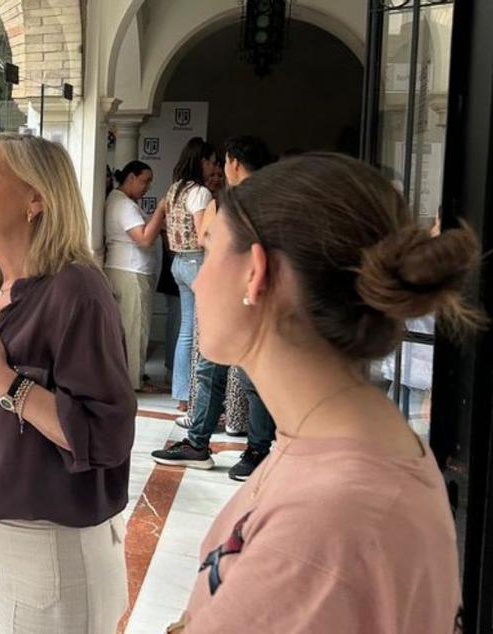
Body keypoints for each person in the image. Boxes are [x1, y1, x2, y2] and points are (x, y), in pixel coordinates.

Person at [168, 153, 481, 632]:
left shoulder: (326, 520)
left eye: (209, 251)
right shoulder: (328, 437)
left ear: (255, 272)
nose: (199, 279)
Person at [0, 133, 135, 633]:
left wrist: (4, 379)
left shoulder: (77, 291)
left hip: (47, 537)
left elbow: (105, 435)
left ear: (36, 198)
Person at [154, 136, 277, 481]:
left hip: (247, 298)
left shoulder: (250, 200)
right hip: (227, 298)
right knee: (212, 370)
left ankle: (257, 450)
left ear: (234, 162)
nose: (223, 169)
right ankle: (198, 444)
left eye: (224, 162)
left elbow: (213, 241)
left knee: (250, 377)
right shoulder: (241, 199)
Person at [163, 137, 218, 411]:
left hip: (178, 262)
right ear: (202, 161)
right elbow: (201, 234)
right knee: (200, 330)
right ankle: (198, 395)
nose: (214, 167)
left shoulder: (175, 189)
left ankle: (183, 395)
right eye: (212, 161)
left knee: (186, 330)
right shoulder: (200, 192)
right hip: (196, 262)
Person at [104, 160, 165, 391]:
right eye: (145, 181)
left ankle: (132, 377)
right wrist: (160, 210)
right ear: (131, 177)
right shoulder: (123, 204)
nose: (147, 187)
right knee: (134, 330)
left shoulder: (122, 202)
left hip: (129, 271)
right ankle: (132, 382)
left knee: (132, 328)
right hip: (131, 273)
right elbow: (144, 239)